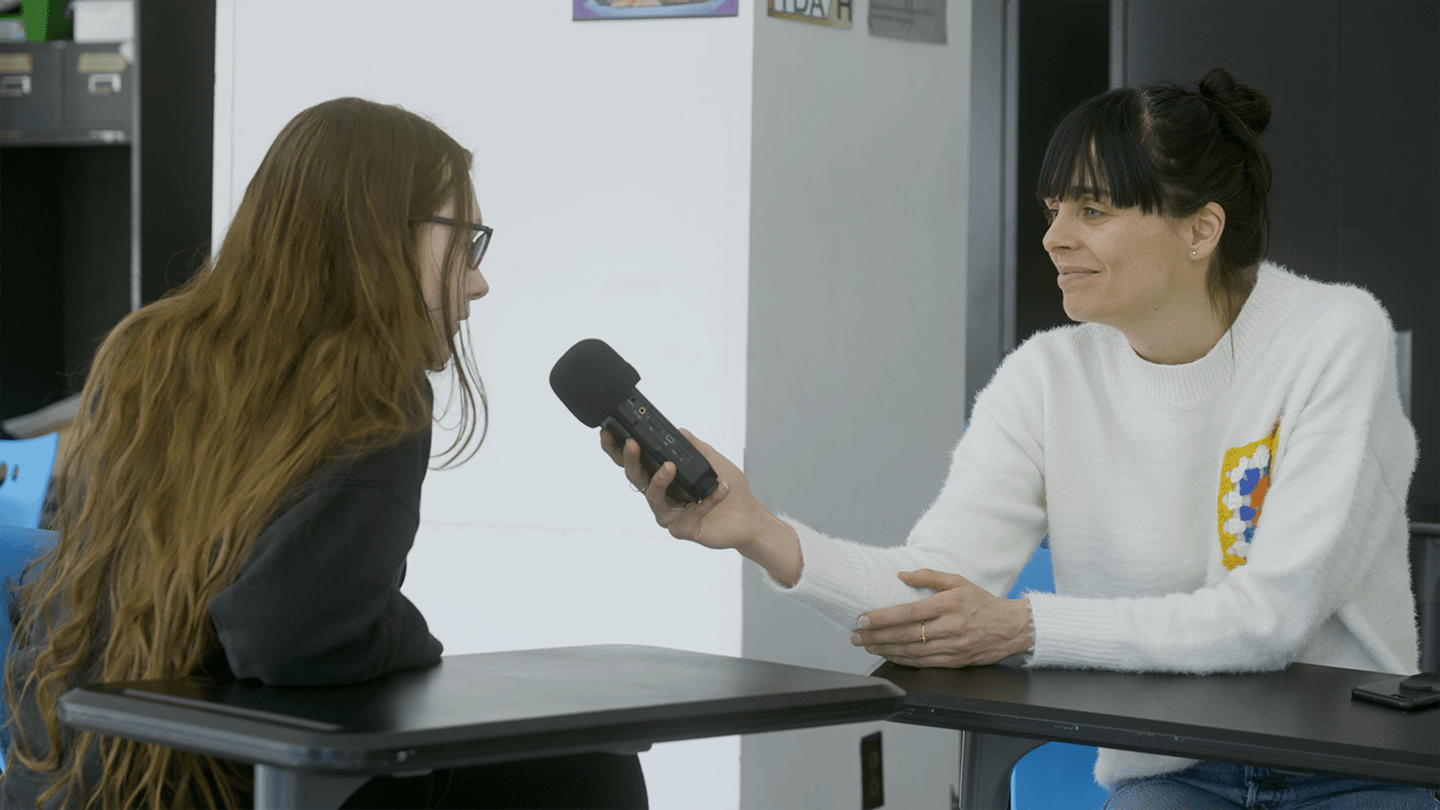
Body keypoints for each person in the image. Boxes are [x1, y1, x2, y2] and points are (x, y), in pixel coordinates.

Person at [604, 69, 1436, 809]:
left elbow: (1274, 617)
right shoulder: (1046, 376)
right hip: (1174, 776)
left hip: (1354, 771)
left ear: (1200, 229)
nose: (1054, 237)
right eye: (1053, 210)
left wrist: (1027, 626)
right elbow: (933, 591)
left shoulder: (1333, 336)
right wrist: (757, 530)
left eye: (1093, 210)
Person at [1, 98, 647, 810]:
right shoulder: (372, 390)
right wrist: (407, 634)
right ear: (379, 233)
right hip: (203, 789)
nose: (478, 279)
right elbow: (287, 636)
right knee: (585, 767)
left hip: (55, 782)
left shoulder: (145, 351)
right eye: (466, 243)